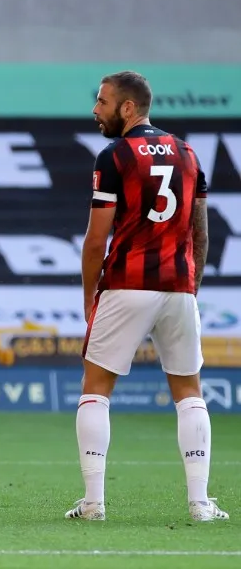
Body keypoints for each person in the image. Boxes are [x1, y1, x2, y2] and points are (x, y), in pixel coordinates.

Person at [67, 71, 228, 523]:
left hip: (126, 285)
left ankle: (94, 502)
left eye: (102, 102)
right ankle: (199, 504)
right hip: (179, 286)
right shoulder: (188, 153)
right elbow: (201, 229)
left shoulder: (115, 156)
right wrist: (190, 287)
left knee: (96, 390)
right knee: (189, 392)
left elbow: (96, 239)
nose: (95, 110)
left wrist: (88, 295)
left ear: (128, 108)